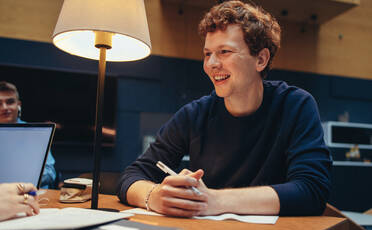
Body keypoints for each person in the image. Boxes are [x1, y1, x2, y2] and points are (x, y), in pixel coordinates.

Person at [117, 0, 331, 217]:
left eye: (224, 51)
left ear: (261, 59)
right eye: (207, 53)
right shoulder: (194, 115)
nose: (211, 64)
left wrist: (214, 200)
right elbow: (131, 176)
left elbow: (312, 191)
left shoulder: (295, 105)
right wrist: (154, 196)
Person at [0, 81, 57, 189]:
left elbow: (50, 173)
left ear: (18, 105)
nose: (5, 107)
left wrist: (16, 181)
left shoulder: (36, 133)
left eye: (10, 102)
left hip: (31, 196)